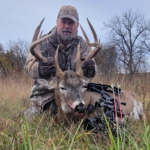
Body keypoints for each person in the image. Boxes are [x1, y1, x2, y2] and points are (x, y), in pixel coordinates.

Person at [23, 5, 96, 120]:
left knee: (92, 114)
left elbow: (90, 69)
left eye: (71, 23)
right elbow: (28, 66)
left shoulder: (82, 44)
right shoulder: (43, 42)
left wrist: (91, 69)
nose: (67, 26)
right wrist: (40, 69)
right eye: (63, 22)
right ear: (57, 22)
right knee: (40, 118)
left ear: (77, 25)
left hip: (75, 93)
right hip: (46, 95)